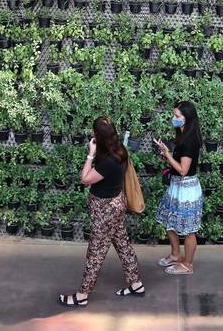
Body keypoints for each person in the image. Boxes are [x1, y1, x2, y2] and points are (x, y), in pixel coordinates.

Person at [58, 116, 144, 307]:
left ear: (99, 136)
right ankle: (136, 283)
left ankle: (82, 295)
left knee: (95, 253)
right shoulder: (120, 150)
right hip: (116, 205)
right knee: (122, 244)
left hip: (105, 211)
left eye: (94, 132)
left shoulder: (108, 161)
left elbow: (86, 178)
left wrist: (90, 154)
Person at [153, 101, 204, 275]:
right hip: (176, 186)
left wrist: (167, 155)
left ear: (187, 118)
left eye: (177, 116)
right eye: (174, 115)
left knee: (189, 230)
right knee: (169, 220)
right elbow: (178, 164)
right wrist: (167, 155)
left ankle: (188, 265)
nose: (174, 119)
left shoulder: (190, 140)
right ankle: (176, 254)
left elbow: (183, 170)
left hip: (187, 188)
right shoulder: (182, 135)